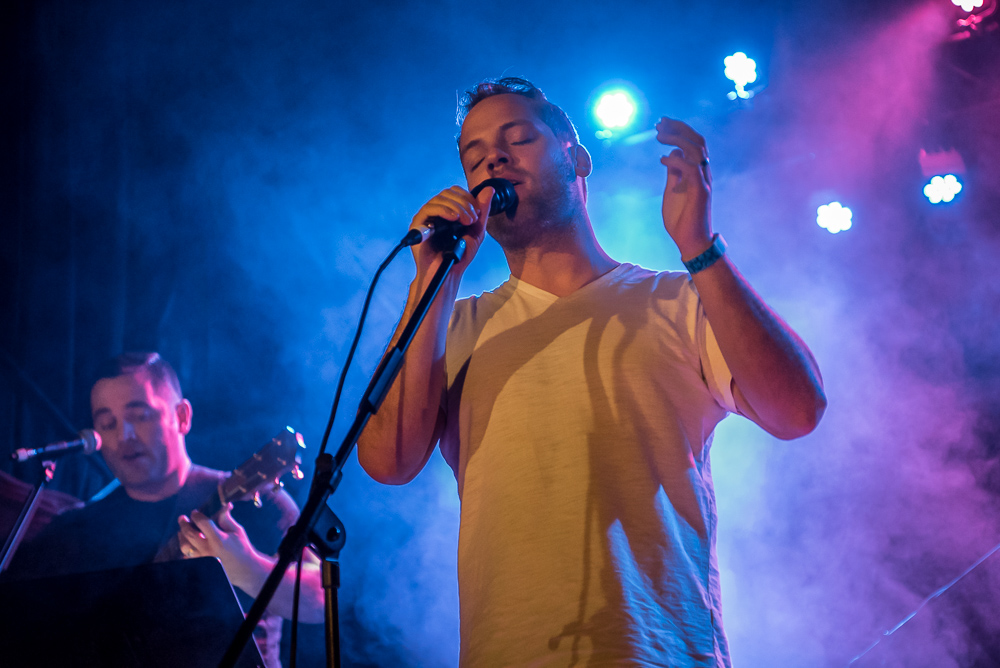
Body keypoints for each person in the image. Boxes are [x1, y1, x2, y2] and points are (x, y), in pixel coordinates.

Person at [357, 77, 827, 667]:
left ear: (576, 157)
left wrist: (700, 247)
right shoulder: (453, 325)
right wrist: (432, 280)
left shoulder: (675, 300)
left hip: (657, 652)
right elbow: (387, 462)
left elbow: (799, 410)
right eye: (473, 156)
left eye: (517, 138)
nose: (492, 159)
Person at [6, 352, 323, 667]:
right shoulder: (76, 531)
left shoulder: (256, 502)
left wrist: (250, 569)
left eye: (140, 415)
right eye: (107, 423)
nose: (124, 436)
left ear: (182, 416)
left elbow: (322, 600)